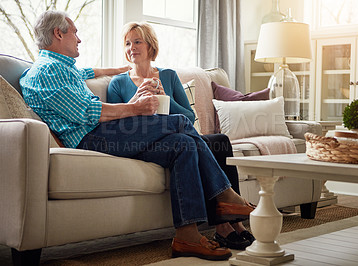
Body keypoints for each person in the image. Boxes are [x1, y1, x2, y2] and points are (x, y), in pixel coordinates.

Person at [19, 10, 254, 261]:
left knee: (183, 144)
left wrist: (115, 68)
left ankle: (187, 235)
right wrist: (136, 107)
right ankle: (224, 195)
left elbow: (87, 73)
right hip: (92, 136)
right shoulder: (48, 70)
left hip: (100, 132)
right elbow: (86, 111)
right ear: (58, 33)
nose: (79, 39)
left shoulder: (60, 67)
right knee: (179, 124)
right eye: (75, 33)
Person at [107, 22, 255, 250]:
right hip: (149, 141)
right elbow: (119, 126)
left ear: (150, 46)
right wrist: (135, 101)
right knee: (193, 143)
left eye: (137, 41)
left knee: (220, 142)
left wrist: (166, 96)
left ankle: (229, 224)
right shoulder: (118, 83)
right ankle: (228, 220)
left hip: (179, 132)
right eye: (127, 43)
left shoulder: (168, 76)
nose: (132, 47)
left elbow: (187, 116)